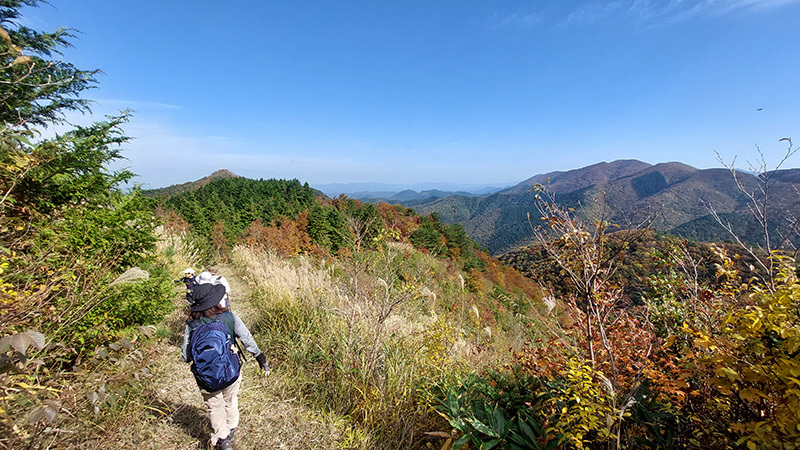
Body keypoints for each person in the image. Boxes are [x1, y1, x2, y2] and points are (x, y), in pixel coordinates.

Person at [182, 283, 269, 449]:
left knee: (215, 407)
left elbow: (186, 357)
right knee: (230, 401)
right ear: (216, 301)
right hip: (231, 371)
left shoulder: (191, 326)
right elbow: (247, 340)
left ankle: (223, 440)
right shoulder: (229, 317)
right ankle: (230, 430)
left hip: (206, 377)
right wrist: (261, 359)